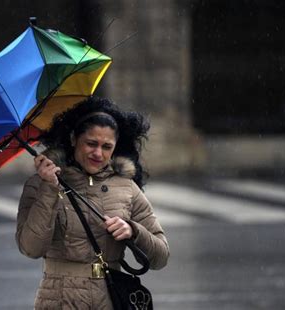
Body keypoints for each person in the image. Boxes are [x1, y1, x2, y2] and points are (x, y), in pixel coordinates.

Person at [16, 96, 170, 309]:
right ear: (73, 139)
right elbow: (30, 248)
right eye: (91, 143)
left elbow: (160, 257)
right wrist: (50, 189)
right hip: (58, 299)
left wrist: (133, 231)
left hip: (110, 298)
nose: (98, 153)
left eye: (106, 146)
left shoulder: (127, 187)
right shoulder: (39, 185)